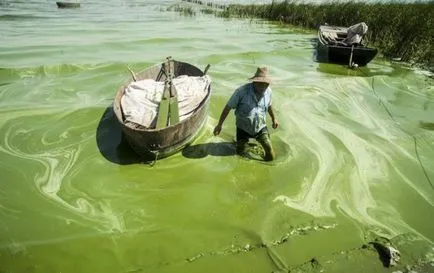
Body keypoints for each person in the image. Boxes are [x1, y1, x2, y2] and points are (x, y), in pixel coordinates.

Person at [213, 67, 279, 161]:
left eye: (266, 84)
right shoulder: (241, 92)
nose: (264, 87)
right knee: (241, 154)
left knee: (269, 150)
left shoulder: (268, 91)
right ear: (255, 82)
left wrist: (274, 119)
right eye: (261, 84)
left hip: (260, 127)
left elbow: (269, 105)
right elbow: (228, 107)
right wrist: (219, 125)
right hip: (242, 128)